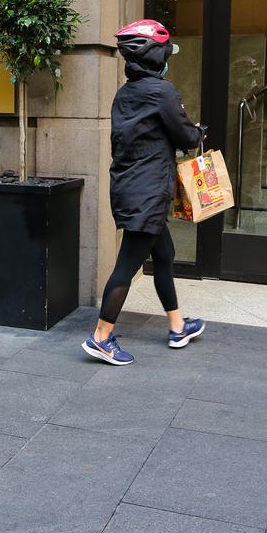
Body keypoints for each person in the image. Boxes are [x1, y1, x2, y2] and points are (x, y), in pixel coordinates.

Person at [82, 20, 206, 366]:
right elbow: (184, 136)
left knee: (164, 254)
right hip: (147, 193)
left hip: (132, 188)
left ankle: (178, 326)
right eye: (166, 51)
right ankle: (101, 337)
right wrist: (197, 132)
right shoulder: (160, 91)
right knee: (126, 266)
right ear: (156, 55)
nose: (168, 57)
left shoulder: (126, 92)